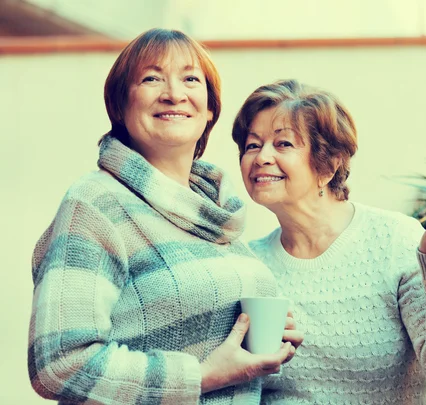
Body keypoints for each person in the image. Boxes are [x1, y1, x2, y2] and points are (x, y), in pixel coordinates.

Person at [28, 29, 302, 405]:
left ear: (209, 110)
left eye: (190, 79)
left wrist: (264, 341)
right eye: (151, 78)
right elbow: (59, 364)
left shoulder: (215, 214)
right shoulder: (96, 203)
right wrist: (201, 376)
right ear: (120, 107)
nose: (174, 93)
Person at [231, 79, 426, 404]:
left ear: (328, 164)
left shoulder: (394, 240)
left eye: (283, 144)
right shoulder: (248, 264)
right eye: (252, 145)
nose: (262, 156)